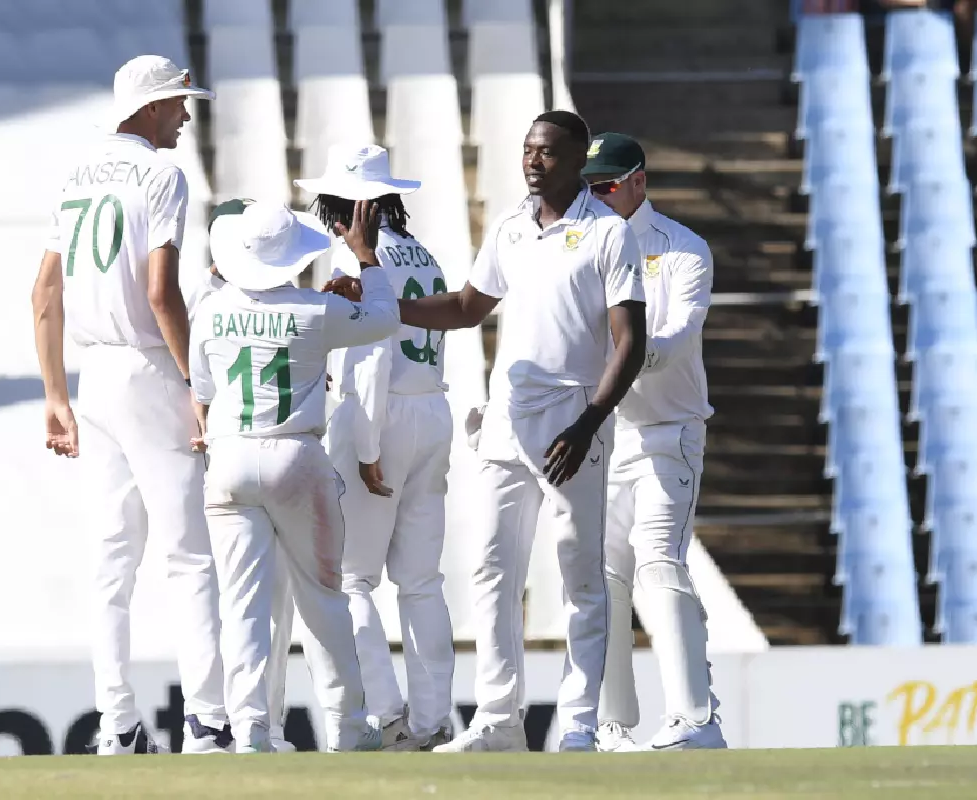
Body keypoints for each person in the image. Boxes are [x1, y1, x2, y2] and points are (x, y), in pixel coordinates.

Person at [327, 110, 647, 752]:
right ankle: (499, 720)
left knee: (580, 577)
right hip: (504, 417)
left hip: (572, 419)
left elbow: (629, 342)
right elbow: (466, 310)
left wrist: (589, 424)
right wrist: (380, 303)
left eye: (548, 152)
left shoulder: (609, 235)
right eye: (528, 149)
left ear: (579, 158)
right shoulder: (508, 228)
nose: (533, 161)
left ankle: (580, 725)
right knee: (492, 572)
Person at [31, 54, 230, 755]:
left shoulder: (72, 173)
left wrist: (56, 396)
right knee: (189, 557)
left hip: (93, 376)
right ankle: (206, 720)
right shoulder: (162, 174)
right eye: (178, 101)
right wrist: (197, 386)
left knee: (112, 560)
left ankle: (116, 724)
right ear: (148, 108)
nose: (185, 111)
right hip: (149, 369)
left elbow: (44, 295)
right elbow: (160, 293)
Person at [190, 199, 400, 753]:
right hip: (296, 458)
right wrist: (366, 258)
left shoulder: (211, 310)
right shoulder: (316, 310)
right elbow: (385, 317)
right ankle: (350, 727)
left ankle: (252, 727)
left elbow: (204, 393)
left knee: (243, 604)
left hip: (230, 456)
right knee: (322, 598)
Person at [298, 144, 456, 751]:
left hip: (380, 414)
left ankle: (388, 717)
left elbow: (367, 359)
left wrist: (364, 447)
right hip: (431, 407)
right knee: (420, 580)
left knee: (352, 578)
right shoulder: (424, 252)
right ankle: (432, 721)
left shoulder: (359, 256)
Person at [581, 133, 726, 752]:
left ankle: (697, 719)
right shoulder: (578, 246)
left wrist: (620, 356)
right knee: (605, 575)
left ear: (639, 180)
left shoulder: (682, 249)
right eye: (588, 187)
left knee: (656, 560)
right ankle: (612, 725)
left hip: (669, 433)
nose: (596, 197)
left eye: (607, 185)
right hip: (607, 436)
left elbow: (672, 342)